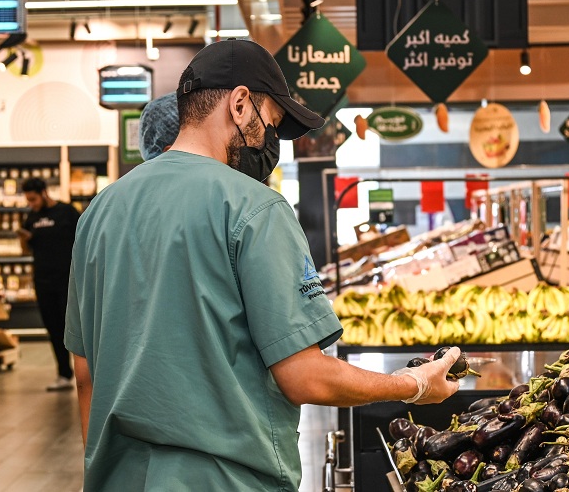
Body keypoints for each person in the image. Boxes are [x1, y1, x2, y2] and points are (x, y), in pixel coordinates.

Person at [65, 39, 460, 491]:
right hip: (226, 480)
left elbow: (85, 374)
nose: (270, 143)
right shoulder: (254, 208)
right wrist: (411, 384)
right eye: (270, 123)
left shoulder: (99, 212)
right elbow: (305, 377)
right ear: (239, 104)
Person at [18, 177, 80, 391]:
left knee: (73, 328)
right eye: (28, 200)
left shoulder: (67, 212)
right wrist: (24, 239)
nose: (31, 204)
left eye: (33, 199)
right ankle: (64, 374)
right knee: (53, 327)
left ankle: (86, 375)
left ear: (44, 192)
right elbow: (26, 251)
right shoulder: (31, 218)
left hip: (68, 280)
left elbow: (83, 240)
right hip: (43, 280)